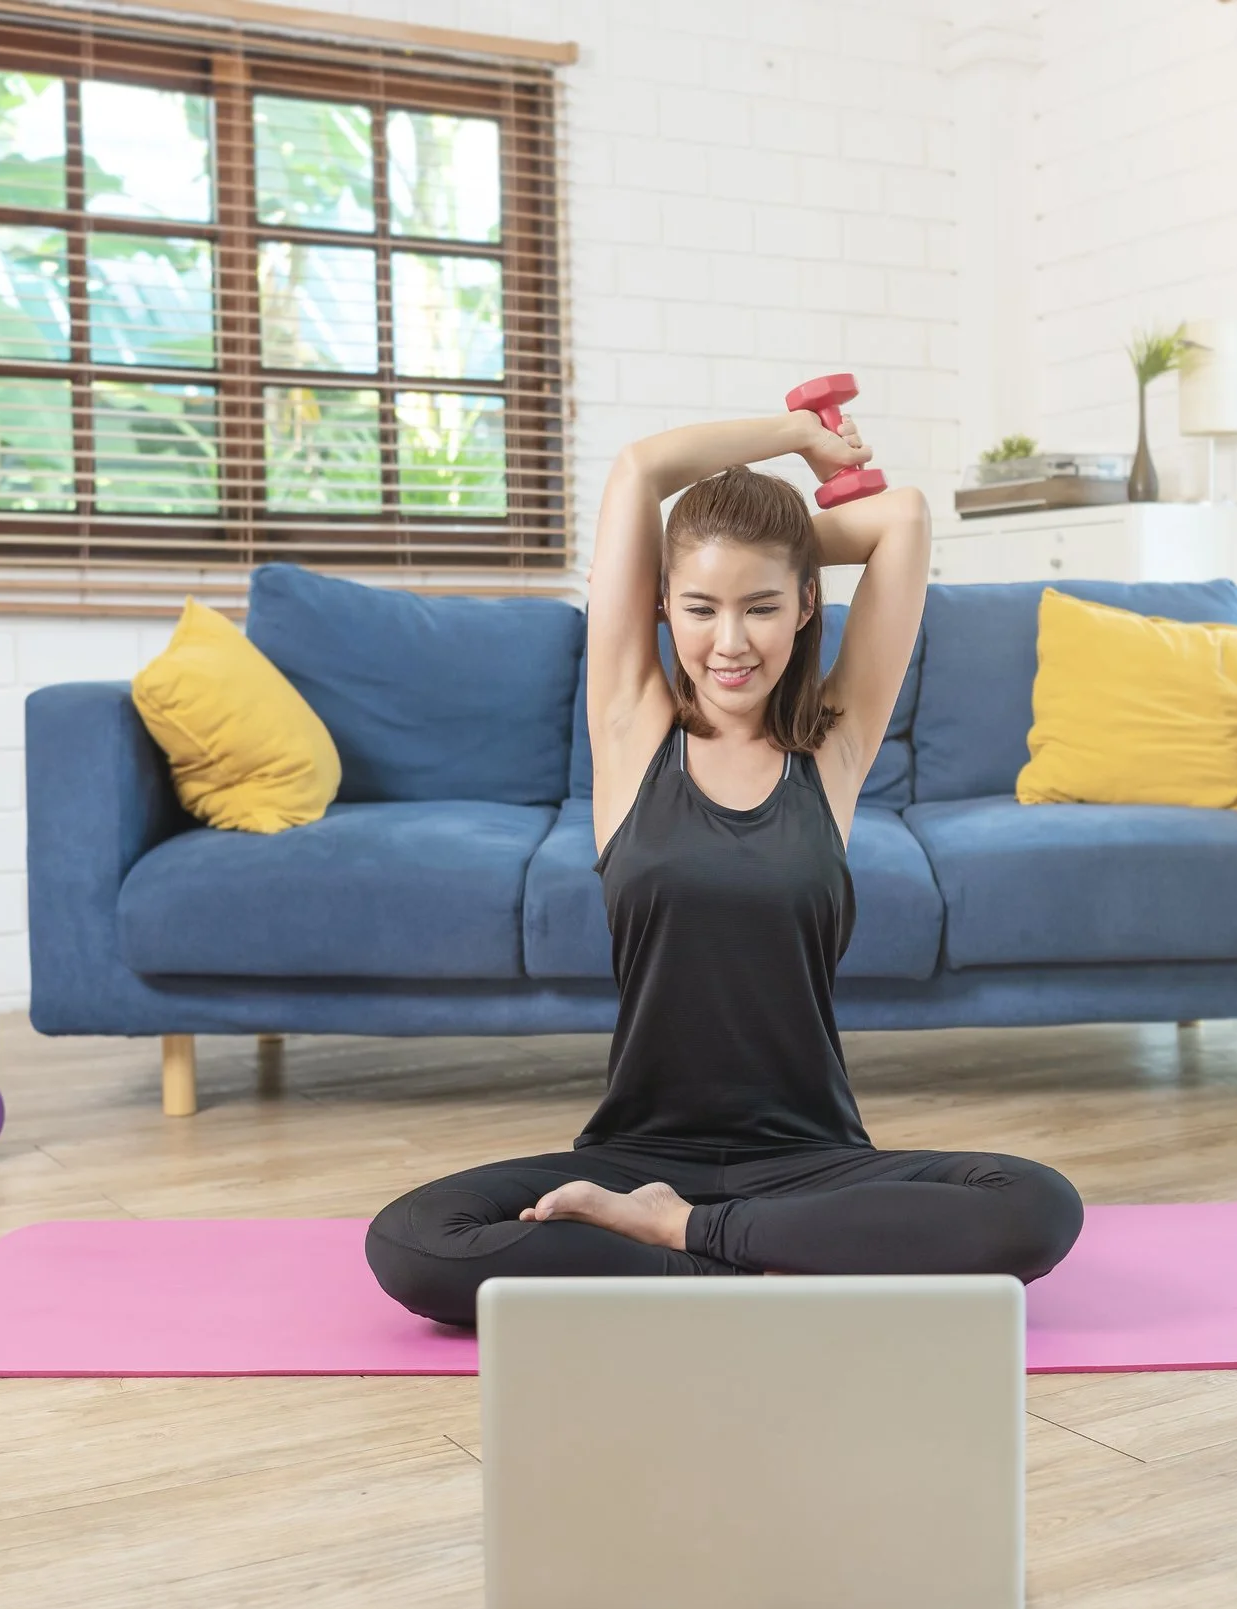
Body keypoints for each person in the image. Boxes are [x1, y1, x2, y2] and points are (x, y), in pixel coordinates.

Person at [365, 408, 1085, 1327]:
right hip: (634, 1154)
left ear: (806, 604)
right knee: (416, 1237)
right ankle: (772, 1263)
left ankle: (684, 1241)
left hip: (811, 1162)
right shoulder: (631, 730)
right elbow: (640, 466)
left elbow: (899, 519)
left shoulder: (832, 744)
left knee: (1036, 1206)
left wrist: (767, 539)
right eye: (700, 606)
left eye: (762, 605)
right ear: (661, 602)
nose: (730, 641)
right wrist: (793, 435)